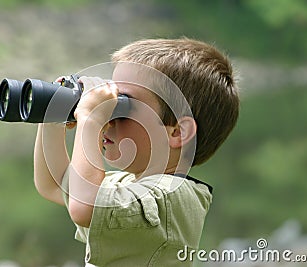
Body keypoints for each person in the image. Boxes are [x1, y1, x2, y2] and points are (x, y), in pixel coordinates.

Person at [33, 38, 239, 266]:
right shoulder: (128, 183)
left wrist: (91, 118)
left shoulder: (173, 197)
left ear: (177, 132)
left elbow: (84, 208)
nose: (110, 117)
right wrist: (53, 115)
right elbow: (54, 184)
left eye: (123, 104)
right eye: (112, 101)